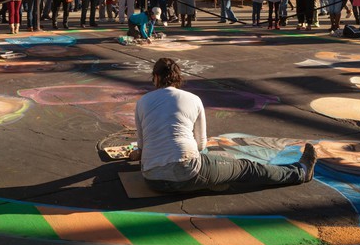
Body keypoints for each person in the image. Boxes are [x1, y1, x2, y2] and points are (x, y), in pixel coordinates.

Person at [132, 58, 316, 193]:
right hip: (187, 172)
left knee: (216, 165)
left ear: (156, 77)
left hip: (152, 178)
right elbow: (201, 145)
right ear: (177, 78)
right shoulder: (193, 99)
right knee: (247, 168)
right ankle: (301, 172)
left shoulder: (142, 102)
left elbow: (141, 147)